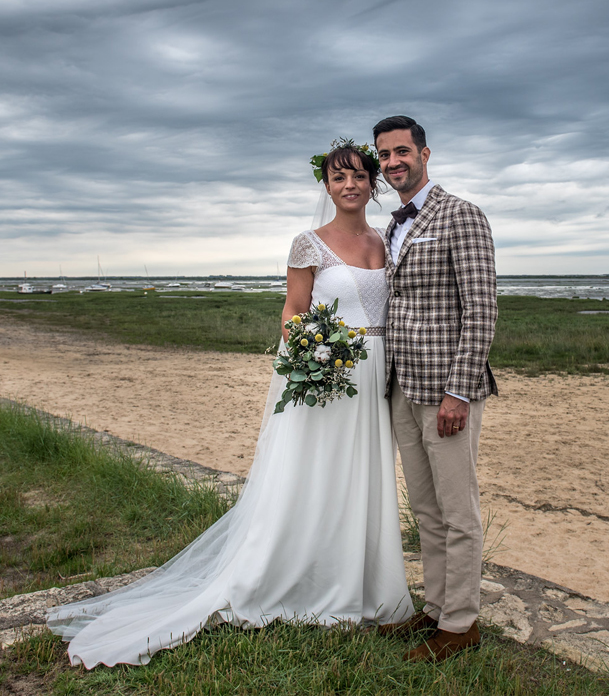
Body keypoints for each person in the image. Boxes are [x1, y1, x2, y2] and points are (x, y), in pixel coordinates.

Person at [47, 141, 414, 668]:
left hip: (378, 374)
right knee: (318, 473)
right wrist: (315, 356)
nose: (349, 185)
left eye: (358, 176)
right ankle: (307, 580)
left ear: (373, 183)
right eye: (338, 178)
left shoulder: (386, 240)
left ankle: (364, 581)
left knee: (365, 474)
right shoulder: (308, 243)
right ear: (327, 187)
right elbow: (292, 313)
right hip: (332, 373)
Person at [372, 116, 498, 662]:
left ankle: (463, 623)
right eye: (384, 155)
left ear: (425, 154)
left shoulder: (461, 216)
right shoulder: (393, 226)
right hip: (402, 386)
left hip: (447, 392)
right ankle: (437, 610)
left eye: (402, 151)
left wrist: (459, 392)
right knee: (424, 509)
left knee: (458, 510)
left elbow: (481, 310)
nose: (393, 162)